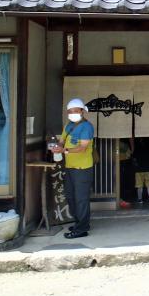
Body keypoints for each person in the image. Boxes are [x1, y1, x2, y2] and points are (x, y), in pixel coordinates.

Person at [53, 98, 95, 239]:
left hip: (83, 168)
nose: (72, 114)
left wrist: (64, 151)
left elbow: (82, 148)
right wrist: (58, 146)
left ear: (82, 111)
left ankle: (82, 229)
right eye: (70, 112)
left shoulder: (87, 127)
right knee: (70, 196)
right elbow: (62, 139)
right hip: (70, 167)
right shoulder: (68, 125)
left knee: (81, 199)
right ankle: (79, 223)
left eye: (75, 111)